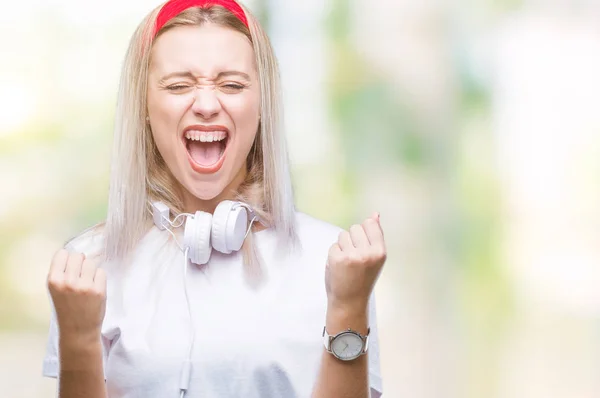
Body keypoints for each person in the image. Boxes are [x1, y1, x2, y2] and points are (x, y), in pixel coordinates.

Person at [42, 0, 387, 397]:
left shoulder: (331, 261)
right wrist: (79, 339)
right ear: (145, 107)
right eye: (178, 85)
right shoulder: (90, 265)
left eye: (232, 85)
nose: (206, 106)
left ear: (262, 106)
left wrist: (348, 305)